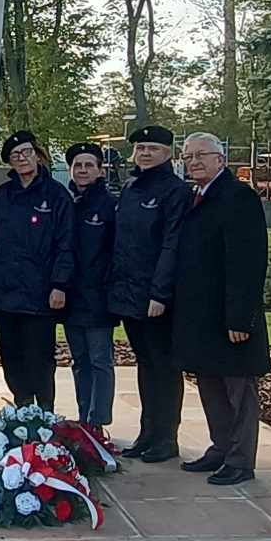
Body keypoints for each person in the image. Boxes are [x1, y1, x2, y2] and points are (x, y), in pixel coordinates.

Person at [172, 131, 271, 485]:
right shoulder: (195, 197)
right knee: (210, 384)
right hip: (201, 316)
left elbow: (248, 261)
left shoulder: (238, 197)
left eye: (201, 155)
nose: (194, 161)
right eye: (188, 157)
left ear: (220, 159)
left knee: (238, 391)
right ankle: (221, 447)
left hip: (231, 316)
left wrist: (240, 317)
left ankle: (241, 459)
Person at [0, 130, 75, 411]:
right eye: (16, 155)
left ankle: (45, 412)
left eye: (27, 152)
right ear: (11, 163)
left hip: (41, 294)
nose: (23, 158)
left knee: (40, 358)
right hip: (4, 293)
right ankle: (22, 408)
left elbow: (66, 242)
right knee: (12, 356)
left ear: (37, 156)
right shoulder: (1, 197)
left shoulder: (56, 195)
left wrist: (60, 284)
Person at [107, 124, 190, 462]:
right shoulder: (130, 188)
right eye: (140, 148)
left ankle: (166, 437)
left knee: (164, 366)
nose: (144, 153)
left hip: (156, 298)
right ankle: (147, 433)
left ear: (168, 153)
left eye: (152, 148)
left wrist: (160, 294)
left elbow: (172, 245)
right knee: (145, 364)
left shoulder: (174, 191)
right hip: (129, 293)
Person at [61, 142, 116, 432]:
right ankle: (84, 418)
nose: (82, 170)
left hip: (99, 297)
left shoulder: (109, 206)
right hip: (71, 297)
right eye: (77, 165)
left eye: (88, 165)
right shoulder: (66, 202)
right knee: (79, 361)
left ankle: (98, 421)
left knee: (100, 361)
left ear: (99, 170)